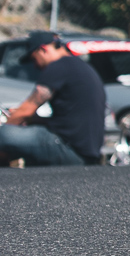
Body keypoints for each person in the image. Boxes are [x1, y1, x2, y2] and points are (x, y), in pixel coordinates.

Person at [0, 31, 106, 167]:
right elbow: (70, 120)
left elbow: (25, 111)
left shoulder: (58, 66)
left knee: (4, 134)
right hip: (86, 152)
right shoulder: (81, 66)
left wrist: (7, 132)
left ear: (43, 49)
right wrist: (33, 120)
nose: (35, 66)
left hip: (68, 149)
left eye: (34, 59)